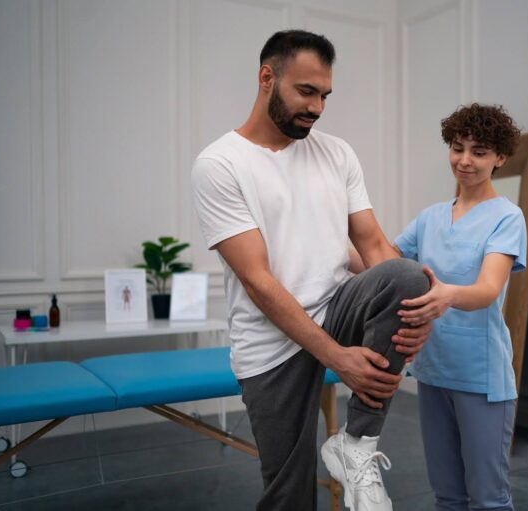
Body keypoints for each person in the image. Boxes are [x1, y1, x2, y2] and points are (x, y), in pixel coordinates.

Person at [190, 30, 430, 511]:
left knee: (409, 277)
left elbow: (373, 245)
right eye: (306, 91)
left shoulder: (336, 153)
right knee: (290, 496)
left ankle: (356, 444)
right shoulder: (219, 164)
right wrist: (338, 358)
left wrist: (416, 307)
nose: (317, 107)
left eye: (324, 95)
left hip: (337, 308)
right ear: (267, 77)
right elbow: (258, 281)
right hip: (270, 341)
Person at [394, 103, 526, 511]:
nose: (464, 160)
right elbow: (385, 261)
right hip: (434, 370)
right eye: (457, 148)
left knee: (488, 498)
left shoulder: (507, 217)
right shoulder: (430, 218)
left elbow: (487, 289)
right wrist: (329, 246)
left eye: (479, 152)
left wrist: (447, 295)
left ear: (500, 157)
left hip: (481, 377)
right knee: (447, 495)